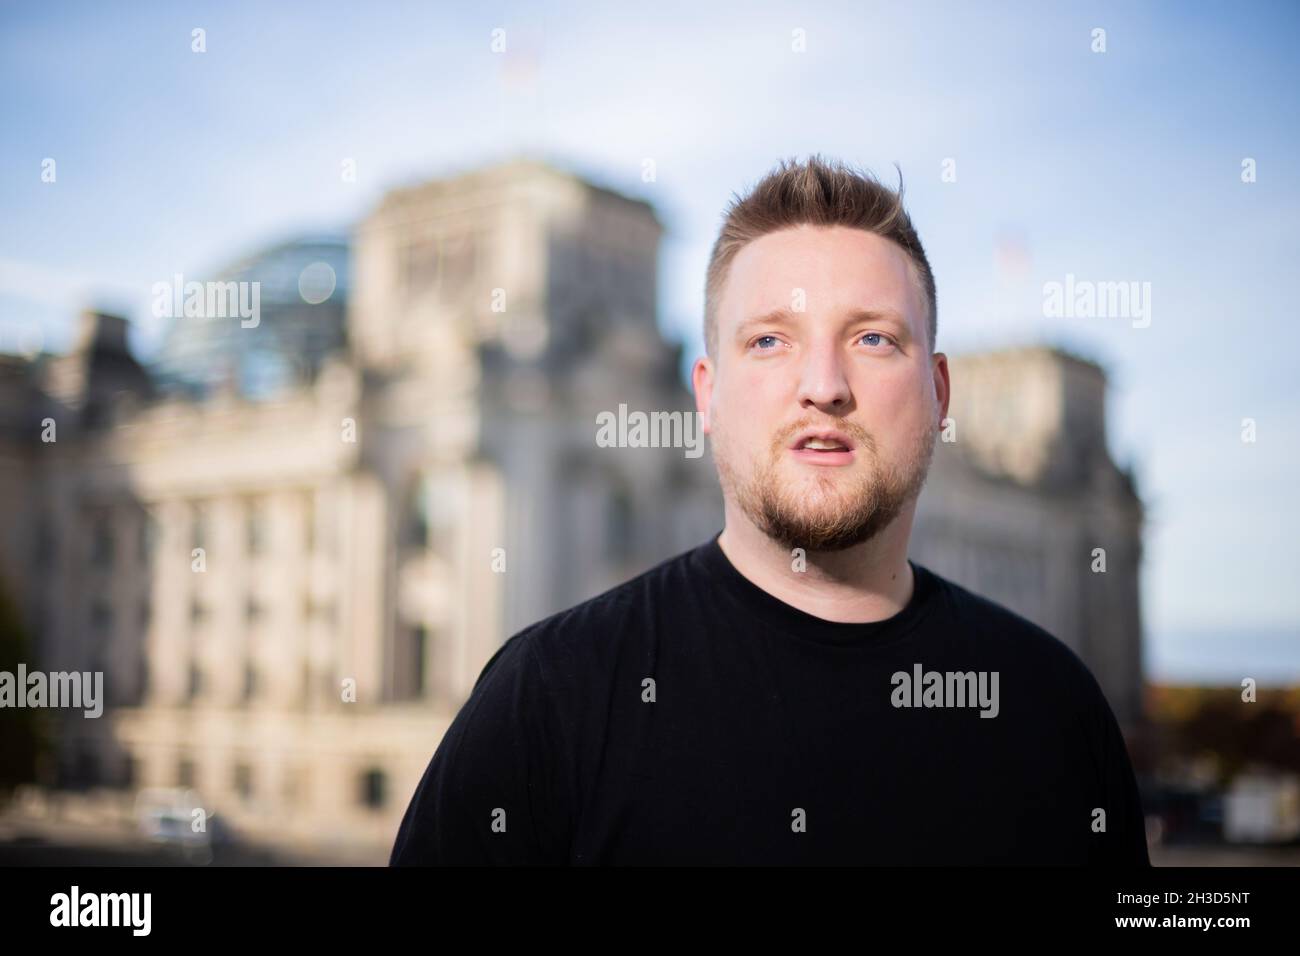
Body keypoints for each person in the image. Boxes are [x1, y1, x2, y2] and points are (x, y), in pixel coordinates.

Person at [390, 154, 1151, 866]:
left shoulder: (1057, 712)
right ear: (706, 393)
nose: (823, 383)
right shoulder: (542, 702)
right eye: (769, 341)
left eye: (874, 338)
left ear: (940, 396)